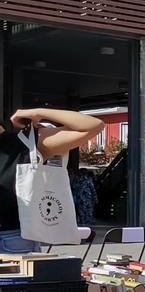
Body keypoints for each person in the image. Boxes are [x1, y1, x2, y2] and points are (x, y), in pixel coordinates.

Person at [0, 108, 102, 253]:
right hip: (14, 238)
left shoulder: (24, 142)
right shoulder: (25, 142)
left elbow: (93, 125)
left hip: (12, 237)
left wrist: (38, 112)